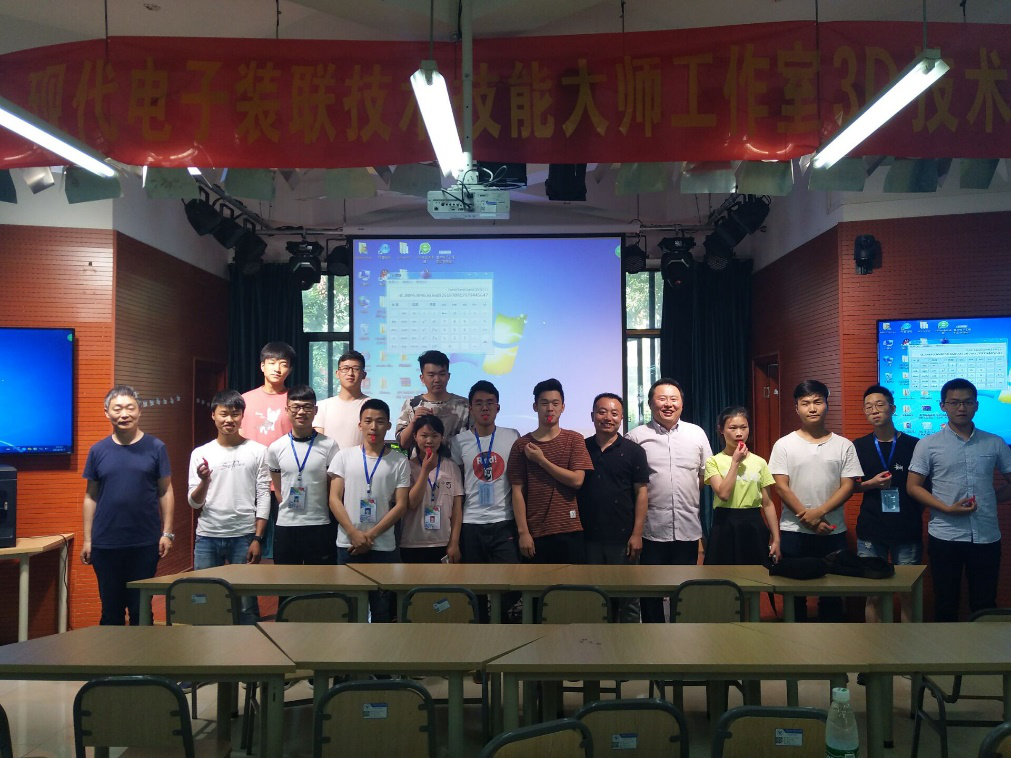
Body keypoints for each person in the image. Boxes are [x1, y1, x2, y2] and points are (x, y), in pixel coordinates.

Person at [907, 378, 1011, 621]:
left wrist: (989, 499)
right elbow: (913, 487)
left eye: (967, 402)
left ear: (977, 405)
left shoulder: (994, 442)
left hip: (986, 535)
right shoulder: (927, 445)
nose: (961, 408)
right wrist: (946, 508)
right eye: (954, 402)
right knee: (945, 602)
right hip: (945, 535)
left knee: (985, 603)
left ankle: (982, 647)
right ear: (942, 406)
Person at [769, 379, 862, 622]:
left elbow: (848, 486)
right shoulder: (784, 445)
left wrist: (818, 513)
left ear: (827, 405)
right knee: (794, 595)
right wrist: (808, 519)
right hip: (793, 531)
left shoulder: (844, 446)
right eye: (805, 403)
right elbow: (781, 487)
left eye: (817, 402)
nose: (812, 408)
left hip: (832, 531)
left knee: (832, 595)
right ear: (796, 408)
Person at [81, 385, 174, 625]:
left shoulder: (156, 447)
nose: (124, 414)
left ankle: (143, 652)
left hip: (144, 543)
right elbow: (90, 496)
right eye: (117, 409)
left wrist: (167, 533)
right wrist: (88, 540)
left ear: (139, 411)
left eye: (130, 408)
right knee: (110, 613)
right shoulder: (98, 450)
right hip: (105, 544)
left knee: (140, 611)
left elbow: (165, 491)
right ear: (107, 413)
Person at [626, 378, 712, 623]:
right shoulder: (636, 437)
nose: (668, 404)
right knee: (650, 592)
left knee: (684, 591)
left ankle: (682, 638)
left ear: (682, 404)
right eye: (662, 399)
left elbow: (705, 475)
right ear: (650, 403)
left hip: (687, 527)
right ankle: (653, 636)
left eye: (673, 399)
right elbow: (629, 484)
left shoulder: (696, 434)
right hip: (651, 529)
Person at [188, 390, 270, 624]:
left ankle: (249, 646)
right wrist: (204, 481)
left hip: (243, 536)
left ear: (242, 416)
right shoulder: (201, 453)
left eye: (235, 414)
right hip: (207, 536)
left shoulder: (258, 451)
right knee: (204, 601)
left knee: (246, 605)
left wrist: (257, 538)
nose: (229, 419)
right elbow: (194, 502)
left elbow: (263, 495)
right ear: (213, 415)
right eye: (223, 414)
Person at [328, 398, 410, 622]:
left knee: (382, 610)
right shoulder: (343, 456)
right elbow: (334, 498)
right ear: (360, 425)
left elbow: (401, 505)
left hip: (383, 546)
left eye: (380, 422)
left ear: (389, 426)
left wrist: (370, 536)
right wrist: (353, 533)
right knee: (350, 609)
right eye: (368, 421)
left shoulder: (399, 461)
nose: (374, 427)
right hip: (348, 544)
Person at [449, 380, 522, 621]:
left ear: (498, 407)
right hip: (471, 524)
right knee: (475, 587)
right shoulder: (459, 441)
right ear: (470, 408)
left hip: (504, 521)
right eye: (479, 403)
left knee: (512, 583)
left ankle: (500, 624)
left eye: (490, 403)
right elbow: (458, 484)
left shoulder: (512, 436)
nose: (485, 408)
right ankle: (480, 629)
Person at [577, 392, 649, 622]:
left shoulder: (634, 451)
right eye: (602, 412)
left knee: (628, 596)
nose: (608, 417)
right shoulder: (581, 448)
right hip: (589, 537)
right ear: (592, 416)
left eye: (614, 413)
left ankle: (629, 642)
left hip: (623, 537)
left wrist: (637, 534)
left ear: (621, 418)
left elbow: (641, 493)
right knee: (594, 596)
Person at [853, 384, 921, 623]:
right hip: (871, 528)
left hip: (907, 528)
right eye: (868, 407)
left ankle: (909, 644)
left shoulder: (914, 445)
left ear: (893, 408)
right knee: (873, 594)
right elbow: (849, 488)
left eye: (880, 405)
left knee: (908, 593)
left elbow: (924, 486)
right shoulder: (858, 446)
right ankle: (875, 643)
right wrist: (870, 484)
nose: (874, 410)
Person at [507, 378, 593, 564]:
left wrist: (541, 460)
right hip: (535, 532)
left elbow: (577, 480)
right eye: (544, 403)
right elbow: (517, 492)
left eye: (555, 403)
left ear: (563, 407)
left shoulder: (575, 439)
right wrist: (523, 532)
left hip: (569, 529)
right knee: (536, 583)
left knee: (573, 582)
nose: (550, 409)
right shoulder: (522, 445)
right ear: (535, 406)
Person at [266, 384, 340, 566]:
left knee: (320, 580)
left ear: (315, 411)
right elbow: (278, 489)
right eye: (295, 407)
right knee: (286, 580)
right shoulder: (276, 448)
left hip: (319, 524)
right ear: (287, 410)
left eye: (307, 407)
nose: (301, 412)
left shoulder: (329, 445)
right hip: (286, 525)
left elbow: (332, 488)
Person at [703, 406, 781, 566]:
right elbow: (723, 494)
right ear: (721, 430)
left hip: (753, 523)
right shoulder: (713, 461)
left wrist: (776, 539)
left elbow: (767, 504)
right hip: (725, 523)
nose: (739, 433)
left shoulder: (760, 462)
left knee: (755, 575)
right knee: (721, 575)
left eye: (743, 427)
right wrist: (735, 462)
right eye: (732, 428)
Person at [402, 415, 463, 563]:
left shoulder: (451, 467)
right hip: (413, 543)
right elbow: (411, 503)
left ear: (442, 437)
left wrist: (454, 542)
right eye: (424, 436)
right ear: (415, 436)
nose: (429, 441)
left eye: (435, 436)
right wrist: (425, 471)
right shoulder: (407, 467)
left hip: (443, 542)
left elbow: (457, 509)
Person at [396, 350, 470, 452]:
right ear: (422, 378)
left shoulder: (464, 405)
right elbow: (403, 443)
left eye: (442, 374)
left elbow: (474, 440)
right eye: (431, 375)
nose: (437, 380)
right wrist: (414, 422)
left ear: (448, 376)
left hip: (456, 461)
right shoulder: (411, 404)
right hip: (420, 462)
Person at [312, 349, 370, 450]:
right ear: (337, 373)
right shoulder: (322, 406)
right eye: (345, 368)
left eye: (356, 369)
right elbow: (318, 445)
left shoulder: (371, 406)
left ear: (364, 375)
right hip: (328, 460)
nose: (350, 373)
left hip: (360, 460)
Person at [240, 341, 295, 445]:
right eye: (272, 363)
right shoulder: (245, 399)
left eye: (283, 365)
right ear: (262, 366)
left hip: (285, 455)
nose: (277, 369)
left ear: (290, 370)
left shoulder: (294, 400)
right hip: (250, 455)